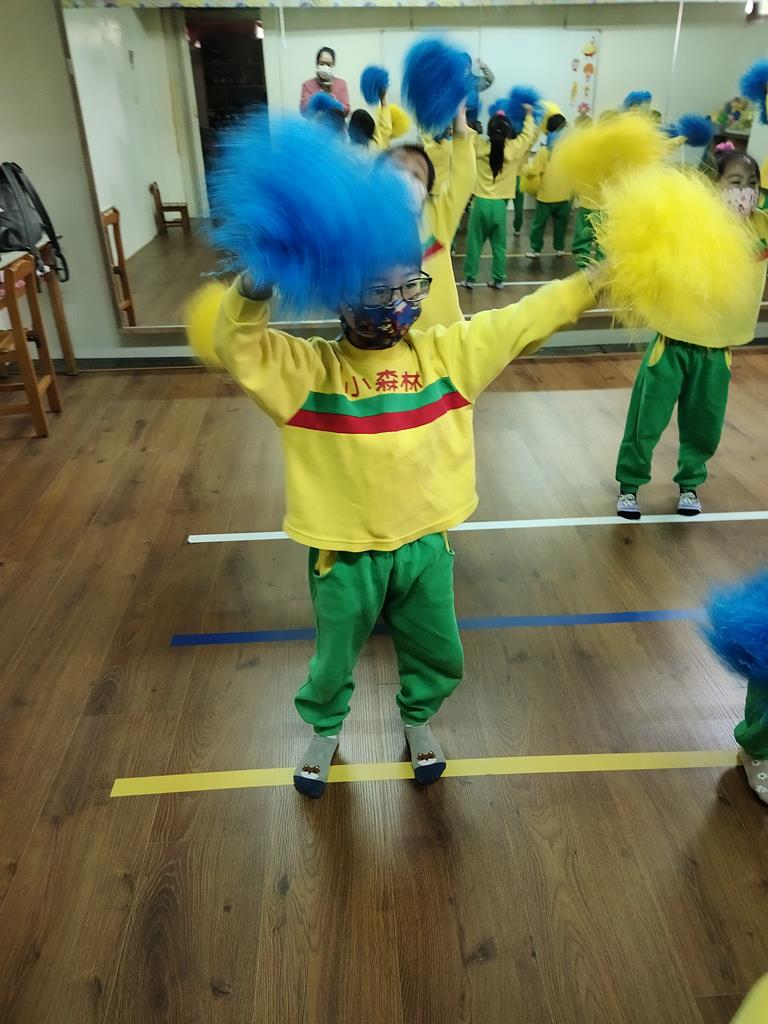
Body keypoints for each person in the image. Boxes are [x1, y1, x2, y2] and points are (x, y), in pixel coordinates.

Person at [213, 261, 596, 797]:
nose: (397, 304)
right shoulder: (305, 372)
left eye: (411, 287)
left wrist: (595, 281)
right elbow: (237, 344)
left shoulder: (448, 356)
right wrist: (254, 287)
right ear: (340, 296)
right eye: (376, 290)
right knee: (333, 658)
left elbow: (527, 316)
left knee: (438, 649)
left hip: (425, 546)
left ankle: (419, 719)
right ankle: (325, 731)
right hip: (344, 555)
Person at [615, 147, 768, 520]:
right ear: (711, 186)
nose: (744, 192)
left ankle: (689, 485)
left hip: (717, 352)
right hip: (671, 344)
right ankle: (630, 486)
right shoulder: (688, 224)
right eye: (734, 182)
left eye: (752, 184)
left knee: (705, 426)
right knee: (646, 421)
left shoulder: (761, 228)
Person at [383, 106, 477, 330]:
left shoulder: (438, 214)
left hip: (445, 334)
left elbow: (464, 178)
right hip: (396, 339)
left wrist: (460, 126)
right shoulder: (372, 226)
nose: (406, 178)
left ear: (426, 188)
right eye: (397, 168)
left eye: (417, 174)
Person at [461, 106, 537, 290]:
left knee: (474, 243)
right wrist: (528, 115)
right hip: (500, 206)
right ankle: (498, 279)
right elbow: (528, 136)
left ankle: (470, 278)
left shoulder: (479, 145)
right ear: (509, 132)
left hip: (480, 203)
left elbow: (464, 131)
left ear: (488, 131)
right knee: (499, 245)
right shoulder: (514, 149)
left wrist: (462, 111)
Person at [523, 114, 573, 259]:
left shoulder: (544, 151)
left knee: (539, 224)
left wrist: (524, 169)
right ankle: (559, 249)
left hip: (545, 197)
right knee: (561, 224)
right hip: (564, 196)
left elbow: (533, 171)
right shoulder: (568, 150)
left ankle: (536, 249)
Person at [300, 46, 350, 117]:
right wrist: (317, 100)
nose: (325, 67)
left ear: (333, 65)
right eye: (322, 63)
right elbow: (303, 111)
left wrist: (333, 101)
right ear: (317, 64)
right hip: (314, 123)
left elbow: (346, 111)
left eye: (328, 64)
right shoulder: (307, 85)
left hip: (336, 123)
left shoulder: (341, 84)